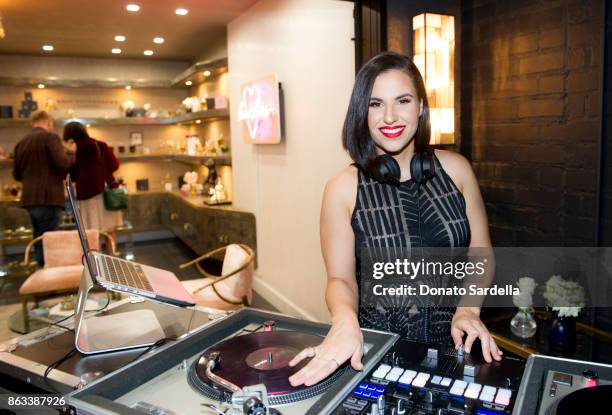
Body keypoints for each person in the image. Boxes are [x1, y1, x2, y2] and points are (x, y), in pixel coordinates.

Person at [288, 52, 502, 387]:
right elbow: (341, 279)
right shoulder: (341, 188)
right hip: (376, 352)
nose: (390, 116)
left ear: (420, 106)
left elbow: (481, 251)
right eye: (375, 104)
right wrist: (344, 319)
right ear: (362, 112)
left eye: (402, 100)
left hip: (456, 347)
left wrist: (469, 310)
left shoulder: (458, 169)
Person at [13, 110, 76, 266]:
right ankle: (49, 274)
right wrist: (72, 154)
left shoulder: (21, 143)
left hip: (29, 199)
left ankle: (41, 269)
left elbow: (17, 175)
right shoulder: (50, 137)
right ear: (48, 122)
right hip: (48, 197)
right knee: (50, 239)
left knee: (38, 237)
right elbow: (63, 163)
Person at [62, 122, 122, 239]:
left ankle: (95, 257)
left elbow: (70, 175)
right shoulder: (100, 144)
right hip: (106, 194)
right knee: (110, 231)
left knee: (92, 233)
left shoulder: (72, 149)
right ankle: (112, 255)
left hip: (88, 195)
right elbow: (114, 165)